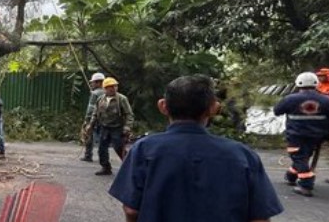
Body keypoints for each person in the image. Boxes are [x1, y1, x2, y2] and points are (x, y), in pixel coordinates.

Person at [109, 75, 284, 222]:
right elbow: (260, 218)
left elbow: (131, 210)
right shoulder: (243, 155)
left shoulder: (144, 149)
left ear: (163, 106)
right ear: (213, 108)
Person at [273, 71, 329, 196]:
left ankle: (306, 185)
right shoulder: (327, 100)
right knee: (303, 156)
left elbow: (277, 111)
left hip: (296, 135)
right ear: (316, 84)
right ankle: (291, 176)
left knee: (299, 157)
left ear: (298, 83)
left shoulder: (290, 99)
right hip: (317, 136)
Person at [92, 77, 133, 175]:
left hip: (117, 128)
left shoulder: (122, 99)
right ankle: (105, 167)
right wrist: (90, 124)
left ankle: (130, 166)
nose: (113, 88)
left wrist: (127, 127)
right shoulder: (100, 99)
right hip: (104, 127)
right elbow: (95, 112)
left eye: (115, 86)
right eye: (110, 87)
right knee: (102, 148)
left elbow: (129, 114)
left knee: (119, 147)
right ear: (105, 88)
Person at [80, 72, 106, 162]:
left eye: (93, 82)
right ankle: (104, 158)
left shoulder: (95, 94)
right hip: (106, 119)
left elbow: (90, 108)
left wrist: (87, 119)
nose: (91, 84)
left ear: (98, 83)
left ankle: (88, 155)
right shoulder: (108, 92)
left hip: (94, 118)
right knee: (104, 138)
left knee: (89, 135)